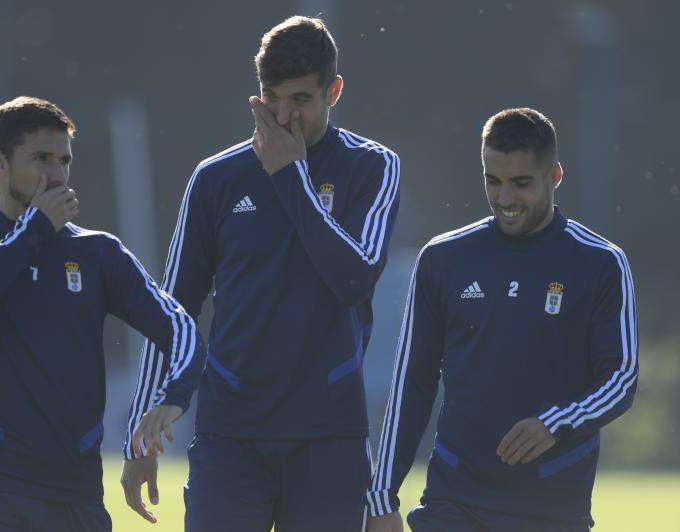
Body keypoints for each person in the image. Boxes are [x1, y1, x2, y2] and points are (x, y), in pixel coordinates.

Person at [120, 16, 401, 532]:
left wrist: (290, 175)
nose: (284, 115)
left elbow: (354, 280)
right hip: (231, 435)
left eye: (301, 99)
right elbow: (172, 311)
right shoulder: (215, 178)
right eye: (272, 97)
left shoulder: (374, 167)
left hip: (329, 436)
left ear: (333, 91)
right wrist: (142, 430)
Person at [0, 96, 205, 531]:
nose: (56, 173)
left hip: (76, 495)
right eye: (40, 158)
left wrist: (173, 397)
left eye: (64, 160)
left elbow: (181, 328)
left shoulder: (98, 253)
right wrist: (34, 230)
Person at [366, 108, 637, 532]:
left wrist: (557, 422)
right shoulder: (443, 258)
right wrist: (381, 494)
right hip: (453, 505)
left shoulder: (600, 263)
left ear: (555, 176)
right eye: (493, 181)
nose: (505, 198)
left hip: (553, 511)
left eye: (521, 183)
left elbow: (619, 378)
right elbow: (412, 384)